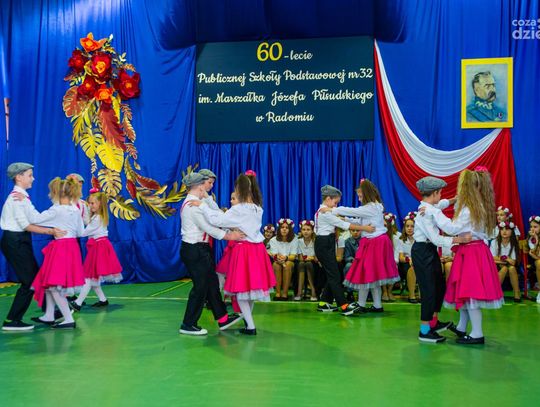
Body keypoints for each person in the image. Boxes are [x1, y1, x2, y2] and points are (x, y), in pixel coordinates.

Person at [193, 171, 276, 335]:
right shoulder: (257, 208)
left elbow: (217, 220)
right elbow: (227, 218)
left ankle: (250, 326)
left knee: (241, 292)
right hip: (257, 250)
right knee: (251, 291)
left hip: (244, 250)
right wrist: (208, 200)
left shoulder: (239, 209)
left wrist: (202, 205)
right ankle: (248, 322)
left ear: (239, 188)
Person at [0, 163, 66, 331]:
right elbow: (26, 225)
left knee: (35, 278)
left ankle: (49, 312)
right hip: (15, 241)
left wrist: (56, 216)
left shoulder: (23, 197)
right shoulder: (16, 198)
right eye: (30, 175)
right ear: (19, 177)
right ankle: (12, 320)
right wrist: (51, 231)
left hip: (20, 240)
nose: (33, 178)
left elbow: (35, 217)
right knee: (29, 281)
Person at [178, 172, 244, 336]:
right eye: (205, 184)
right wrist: (230, 236)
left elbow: (214, 215)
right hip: (195, 249)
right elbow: (209, 226)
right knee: (200, 288)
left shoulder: (197, 202)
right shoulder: (193, 206)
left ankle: (222, 319)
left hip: (200, 249)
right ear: (199, 186)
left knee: (212, 284)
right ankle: (188, 324)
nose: (207, 188)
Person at [443, 168, 504, 345]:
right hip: (471, 251)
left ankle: (477, 333)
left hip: (471, 253)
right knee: (464, 291)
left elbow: (452, 228)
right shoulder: (475, 205)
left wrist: (435, 214)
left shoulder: (469, 209)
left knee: (470, 292)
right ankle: (462, 327)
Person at [413, 176, 472, 343]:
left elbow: (441, 204)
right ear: (434, 193)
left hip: (429, 250)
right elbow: (438, 238)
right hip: (423, 251)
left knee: (439, 286)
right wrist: (460, 239)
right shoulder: (428, 212)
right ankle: (425, 330)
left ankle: (433, 322)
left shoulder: (429, 206)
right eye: (440, 193)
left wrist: (454, 199)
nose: (441, 196)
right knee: (429, 290)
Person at [330, 179, 400, 314]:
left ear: (367, 194)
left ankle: (361, 304)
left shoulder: (370, 207)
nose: (359, 199)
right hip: (375, 242)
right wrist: (344, 219)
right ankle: (377, 305)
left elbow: (353, 211)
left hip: (375, 243)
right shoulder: (375, 206)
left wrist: (333, 210)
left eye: (360, 196)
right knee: (372, 275)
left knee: (365, 273)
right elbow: (360, 220)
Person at [30, 177, 86, 329]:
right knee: (50, 283)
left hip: (60, 248)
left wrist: (26, 204)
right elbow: (81, 232)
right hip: (72, 247)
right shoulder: (75, 209)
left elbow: (35, 219)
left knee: (54, 285)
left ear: (56, 193)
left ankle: (68, 319)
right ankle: (49, 315)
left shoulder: (56, 210)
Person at [314, 184, 373, 315]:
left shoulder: (327, 210)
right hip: (323, 244)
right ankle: (343, 305)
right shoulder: (325, 213)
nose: (336, 206)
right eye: (335, 202)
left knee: (334, 273)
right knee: (334, 275)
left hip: (327, 243)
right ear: (328, 199)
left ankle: (324, 302)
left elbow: (341, 216)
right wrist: (365, 228)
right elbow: (344, 225)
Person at [70, 190, 123, 311]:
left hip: (99, 248)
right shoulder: (97, 217)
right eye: (89, 203)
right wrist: (84, 209)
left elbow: (83, 233)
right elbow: (87, 222)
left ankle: (78, 303)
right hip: (98, 247)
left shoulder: (97, 218)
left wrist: (76, 218)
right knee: (93, 277)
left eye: (92, 203)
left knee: (89, 277)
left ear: (100, 204)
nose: (90, 205)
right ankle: (103, 300)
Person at [268, 218, 297, 300]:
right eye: (282, 227)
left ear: (290, 230)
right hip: (278, 260)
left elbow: (293, 256)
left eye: (287, 228)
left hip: (289, 261)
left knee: (287, 265)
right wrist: (279, 259)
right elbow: (274, 255)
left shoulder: (294, 239)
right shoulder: (273, 240)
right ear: (279, 229)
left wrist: (286, 258)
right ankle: (277, 293)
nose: (284, 229)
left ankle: (285, 293)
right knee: (276, 265)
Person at [491, 221, 521, 302]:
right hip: (497, 266)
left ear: (512, 232)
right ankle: (495, 292)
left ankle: (516, 293)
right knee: (504, 268)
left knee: (511, 268)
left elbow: (513, 262)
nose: (504, 231)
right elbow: (492, 258)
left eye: (507, 229)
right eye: (502, 229)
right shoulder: (494, 242)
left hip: (511, 267)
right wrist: (505, 259)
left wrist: (501, 259)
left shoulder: (514, 243)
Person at [295, 220, 317, 301]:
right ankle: (299, 292)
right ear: (301, 231)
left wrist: (312, 258)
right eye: (304, 229)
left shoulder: (316, 241)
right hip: (302, 263)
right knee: (301, 264)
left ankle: (313, 291)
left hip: (314, 264)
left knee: (308, 264)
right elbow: (300, 257)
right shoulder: (298, 241)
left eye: (308, 229)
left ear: (312, 231)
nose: (306, 232)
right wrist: (307, 258)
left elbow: (317, 257)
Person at [398, 213, 418, 303]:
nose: (409, 228)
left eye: (412, 226)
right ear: (404, 228)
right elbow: (401, 257)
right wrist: (409, 259)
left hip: (418, 262)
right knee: (412, 269)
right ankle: (411, 295)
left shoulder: (419, 240)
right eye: (407, 226)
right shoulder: (401, 240)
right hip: (405, 264)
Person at [526, 215, 540, 298]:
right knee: (539, 263)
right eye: (531, 227)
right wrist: (536, 239)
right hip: (535, 262)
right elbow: (534, 254)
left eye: (535, 227)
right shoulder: (531, 239)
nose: (532, 229)